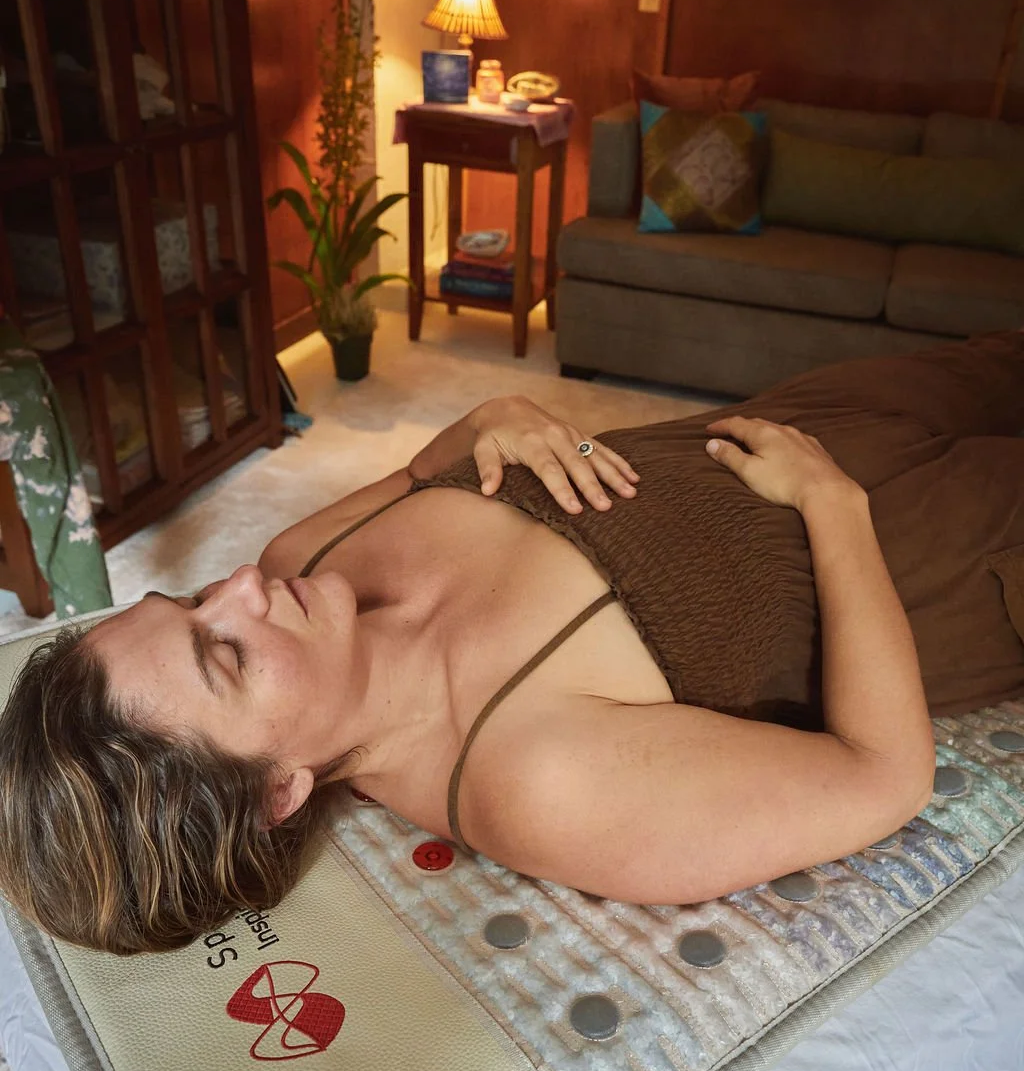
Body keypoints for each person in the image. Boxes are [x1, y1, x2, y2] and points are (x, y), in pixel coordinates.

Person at [1, 332, 1022, 956]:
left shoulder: (302, 553)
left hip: (805, 419)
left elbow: (426, 470)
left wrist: (492, 414)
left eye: (189, 600)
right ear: (278, 792)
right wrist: (835, 508)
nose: (238, 587)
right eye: (224, 654)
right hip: (939, 557)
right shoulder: (537, 781)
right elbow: (882, 775)